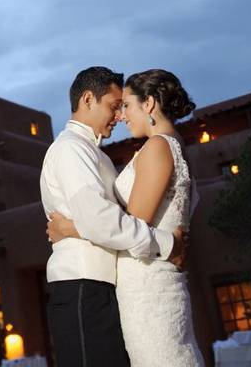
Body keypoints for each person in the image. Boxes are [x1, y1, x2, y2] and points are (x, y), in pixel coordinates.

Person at [48, 68, 205, 367]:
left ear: (148, 105)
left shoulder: (157, 146)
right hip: (136, 279)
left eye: (126, 105)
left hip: (146, 281)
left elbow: (131, 221)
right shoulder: (76, 149)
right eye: (116, 106)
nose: (121, 115)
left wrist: (70, 228)